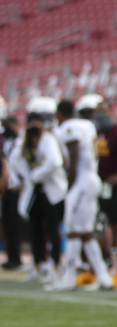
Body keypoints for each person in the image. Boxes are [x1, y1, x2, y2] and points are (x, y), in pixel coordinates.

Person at [54, 99, 111, 290]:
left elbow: (74, 154)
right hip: (92, 178)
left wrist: (71, 184)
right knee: (86, 232)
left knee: (72, 230)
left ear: (60, 114)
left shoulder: (70, 127)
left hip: (81, 180)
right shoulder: (87, 125)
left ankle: (69, 278)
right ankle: (104, 277)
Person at [11, 98, 67, 284]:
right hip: (35, 191)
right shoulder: (24, 142)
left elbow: (55, 162)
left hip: (51, 190)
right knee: (35, 228)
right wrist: (27, 177)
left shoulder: (49, 139)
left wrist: (35, 175)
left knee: (52, 229)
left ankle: (56, 265)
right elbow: (14, 160)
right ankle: (38, 265)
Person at [93, 97, 117, 284]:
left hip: (115, 186)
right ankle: (101, 266)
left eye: (104, 110)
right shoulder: (95, 132)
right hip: (99, 185)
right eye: (98, 110)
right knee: (97, 227)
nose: (100, 114)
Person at [1, 104, 23, 271]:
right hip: (6, 186)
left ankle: (16, 257)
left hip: (15, 187)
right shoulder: (5, 139)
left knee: (14, 223)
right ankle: (11, 257)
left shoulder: (18, 140)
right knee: (8, 224)